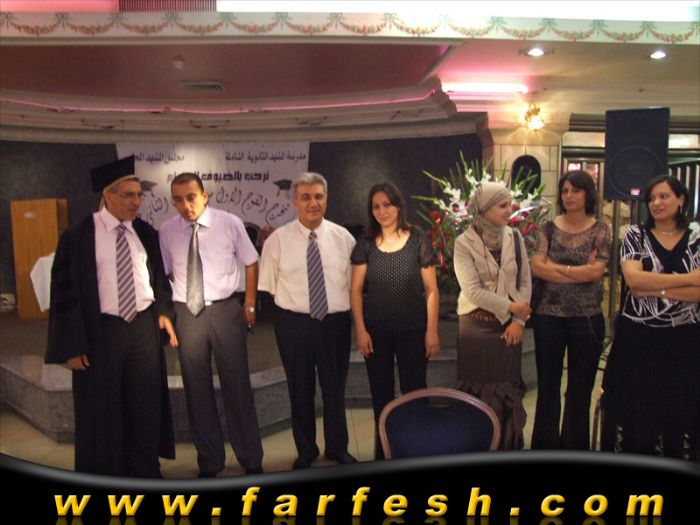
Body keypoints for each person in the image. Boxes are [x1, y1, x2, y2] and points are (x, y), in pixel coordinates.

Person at [45, 155, 178, 477]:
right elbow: (64, 293)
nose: (136, 202)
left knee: (145, 400)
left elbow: (158, 279)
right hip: (101, 331)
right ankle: (106, 471)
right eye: (128, 195)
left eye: (139, 195)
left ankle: (144, 467)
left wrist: (163, 312)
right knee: (102, 404)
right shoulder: (78, 236)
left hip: (143, 327)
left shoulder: (145, 232)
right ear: (107, 195)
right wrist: (72, 345)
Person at [159, 172, 264, 477]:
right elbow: (166, 272)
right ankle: (210, 460)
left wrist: (250, 302)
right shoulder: (167, 231)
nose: (186, 205)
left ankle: (251, 458)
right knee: (196, 389)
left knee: (237, 385)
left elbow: (251, 261)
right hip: (187, 314)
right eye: (178, 200)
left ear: (204, 196)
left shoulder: (229, 223)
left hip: (225, 311)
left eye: (191, 197)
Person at [258, 172, 358, 469]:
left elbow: (354, 286)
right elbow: (270, 287)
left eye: (318, 196)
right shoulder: (277, 240)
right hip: (294, 324)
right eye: (305, 197)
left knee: (334, 388)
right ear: (294, 202)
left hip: (335, 324)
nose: (313, 203)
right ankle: (306, 451)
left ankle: (337, 448)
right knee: (299, 389)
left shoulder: (344, 239)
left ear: (326, 199)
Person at [602, 175, 700, 461]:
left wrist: (654, 287)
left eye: (664, 196)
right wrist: (688, 279)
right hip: (639, 340)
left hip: (683, 340)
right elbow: (634, 281)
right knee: (638, 406)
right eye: (652, 198)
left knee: (677, 406)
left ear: (681, 199)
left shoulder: (696, 238)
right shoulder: (636, 235)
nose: (656, 203)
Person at [350, 182, 440, 459]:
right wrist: (360, 330)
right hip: (376, 332)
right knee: (381, 397)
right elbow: (355, 290)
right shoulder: (365, 243)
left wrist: (432, 331)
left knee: (415, 393)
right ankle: (384, 456)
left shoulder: (417, 238)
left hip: (413, 330)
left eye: (387, 204)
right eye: (376, 207)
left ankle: (416, 453)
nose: (382, 211)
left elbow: (431, 289)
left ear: (398, 205)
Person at [530, 170, 610, 450]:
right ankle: (545, 449)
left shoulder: (600, 229)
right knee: (548, 386)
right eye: (565, 190)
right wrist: (579, 270)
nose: (569, 196)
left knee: (580, 389)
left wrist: (556, 267)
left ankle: (574, 450)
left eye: (575, 190)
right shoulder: (548, 228)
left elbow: (596, 273)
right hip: (548, 316)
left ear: (588, 194)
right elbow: (536, 267)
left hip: (586, 317)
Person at [453, 181, 532, 450]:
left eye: (509, 204)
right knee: (476, 392)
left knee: (506, 391)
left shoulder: (515, 237)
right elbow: (473, 291)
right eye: (502, 205)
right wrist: (512, 308)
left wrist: (518, 322)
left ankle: (506, 449)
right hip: (475, 329)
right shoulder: (464, 243)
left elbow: (525, 281)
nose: (509, 210)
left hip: (509, 329)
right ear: (485, 209)